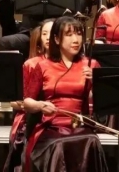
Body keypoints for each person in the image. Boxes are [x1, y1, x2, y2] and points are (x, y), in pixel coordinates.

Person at [23, 16, 108, 172]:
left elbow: (104, 102)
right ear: (56, 39)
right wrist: (40, 105)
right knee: (58, 145)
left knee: (91, 141)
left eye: (79, 34)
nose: (75, 40)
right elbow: (27, 102)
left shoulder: (91, 64)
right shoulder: (43, 66)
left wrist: (96, 83)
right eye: (69, 35)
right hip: (51, 127)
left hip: (79, 126)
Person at [4, 19, 53, 172]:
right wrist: (34, 105)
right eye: (44, 34)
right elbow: (15, 101)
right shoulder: (31, 64)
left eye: (52, 33)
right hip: (31, 119)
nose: (47, 37)